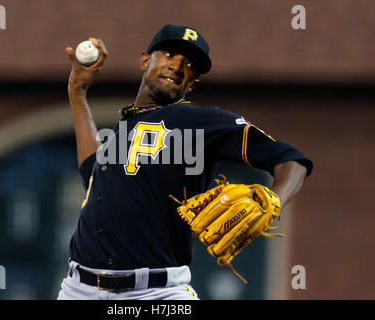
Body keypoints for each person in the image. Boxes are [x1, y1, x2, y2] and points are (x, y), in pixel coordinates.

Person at [57, 24, 313, 300]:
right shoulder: (126, 126)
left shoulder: (201, 121)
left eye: (190, 64)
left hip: (157, 293)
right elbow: (91, 173)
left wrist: (273, 199)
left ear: (192, 84)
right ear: (145, 60)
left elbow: (290, 159)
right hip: (78, 289)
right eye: (170, 54)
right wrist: (77, 92)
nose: (178, 66)